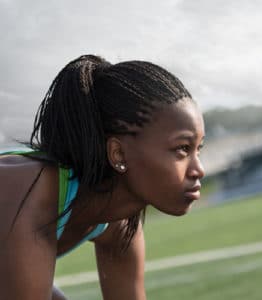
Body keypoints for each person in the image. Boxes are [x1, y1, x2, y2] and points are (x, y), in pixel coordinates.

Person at [0, 54, 205, 300]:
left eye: (198, 149)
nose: (198, 169)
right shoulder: (30, 193)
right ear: (117, 153)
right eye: (182, 149)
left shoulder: (119, 225)